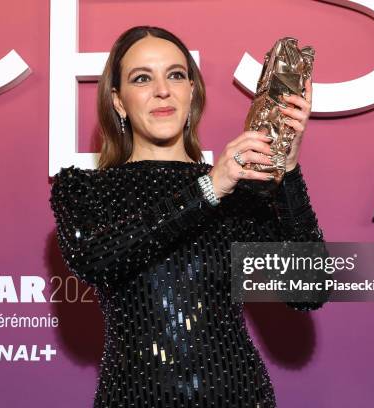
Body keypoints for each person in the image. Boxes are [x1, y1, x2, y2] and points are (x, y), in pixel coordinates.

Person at [49, 25, 328, 408]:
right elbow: (95, 259)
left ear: (192, 91)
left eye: (176, 75)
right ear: (118, 101)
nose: (162, 90)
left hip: (239, 397)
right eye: (142, 78)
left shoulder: (237, 188)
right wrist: (209, 188)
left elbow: (307, 290)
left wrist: (289, 169)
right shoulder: (83, 188)